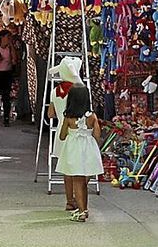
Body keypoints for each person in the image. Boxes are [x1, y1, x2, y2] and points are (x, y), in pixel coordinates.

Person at [55, 83, 103, 223]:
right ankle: (85, 208)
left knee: (77, 181)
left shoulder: (68, 117)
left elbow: (62, 136)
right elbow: (97, 135)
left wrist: (71, 131)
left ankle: (81, 211)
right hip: (88, 149)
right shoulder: (92, 116)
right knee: (83, 182)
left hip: (73, 150)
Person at [47, 56, 83, 211]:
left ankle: (69, 200)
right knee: (80, 168)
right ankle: (79, 198)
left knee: (67, 170)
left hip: (61, 131)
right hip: (77, 132)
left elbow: (50, 114)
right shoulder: (79, 90)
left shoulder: (56, 90)